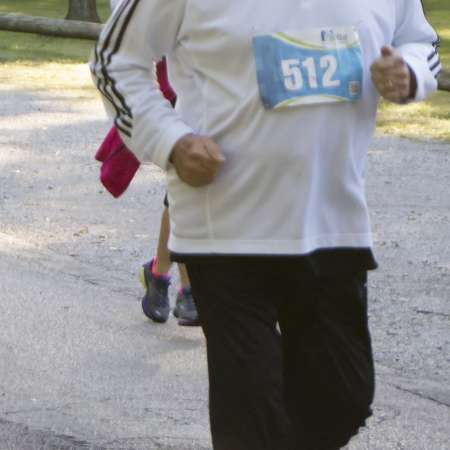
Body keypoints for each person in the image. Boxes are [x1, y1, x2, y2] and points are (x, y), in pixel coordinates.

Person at [91, 1, 441, 449]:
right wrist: (171, 141)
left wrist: (410, 72)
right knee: (251, 413)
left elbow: (419, 40)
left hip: (332, 220)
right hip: (226, 227)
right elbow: (114, 59)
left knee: (342, 396)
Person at [102, 0, 199, 327]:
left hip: (199, 81)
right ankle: (185, 286)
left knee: (183, 192)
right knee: (182, 188)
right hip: (169, 84)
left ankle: (159, 271)